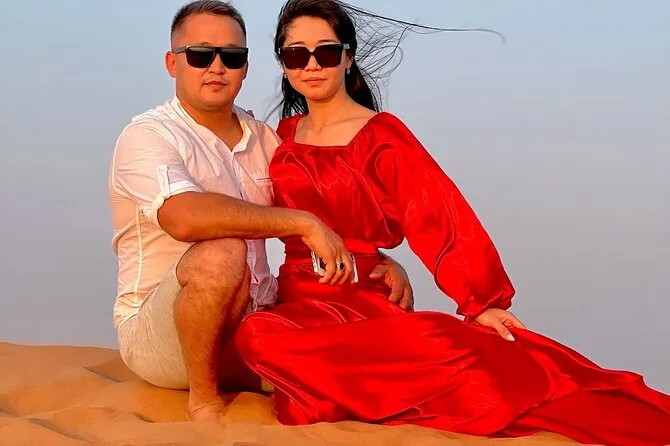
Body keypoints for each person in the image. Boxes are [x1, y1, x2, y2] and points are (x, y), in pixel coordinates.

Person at [231, 1, 670, 445]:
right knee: (258, 337)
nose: (311, 65)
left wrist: (481, 299)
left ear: (348, 57)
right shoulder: (280, 136)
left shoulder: (382, 134)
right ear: (282, 64)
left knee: (457, 357)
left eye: (325, 52)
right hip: (298, 305)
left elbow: (436, 212)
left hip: (363, 302)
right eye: (296, 54)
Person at [107, 0, 414, 423]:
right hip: (162, 339)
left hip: (256, 321)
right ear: (172, 63)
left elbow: (323, 203)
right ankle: (205, 404)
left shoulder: (265, 139)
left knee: (369, 366)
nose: (216, 67)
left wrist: (374, 259)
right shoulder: (148, 136)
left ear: (246, 67)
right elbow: (184, 217)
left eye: (231, 57)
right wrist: (302, 223)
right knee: (224, 252)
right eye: (200, 55)